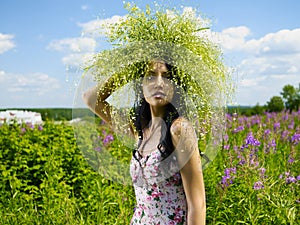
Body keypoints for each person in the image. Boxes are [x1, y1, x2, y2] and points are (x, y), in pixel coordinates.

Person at [83, 59, 206, 225]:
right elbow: (91, 99)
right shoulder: (138, 128)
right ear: (140, 84)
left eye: (166, 77)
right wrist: (129, 70)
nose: (159, 83)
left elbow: (197, 205)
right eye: (150, 77)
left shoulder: (180, 129)